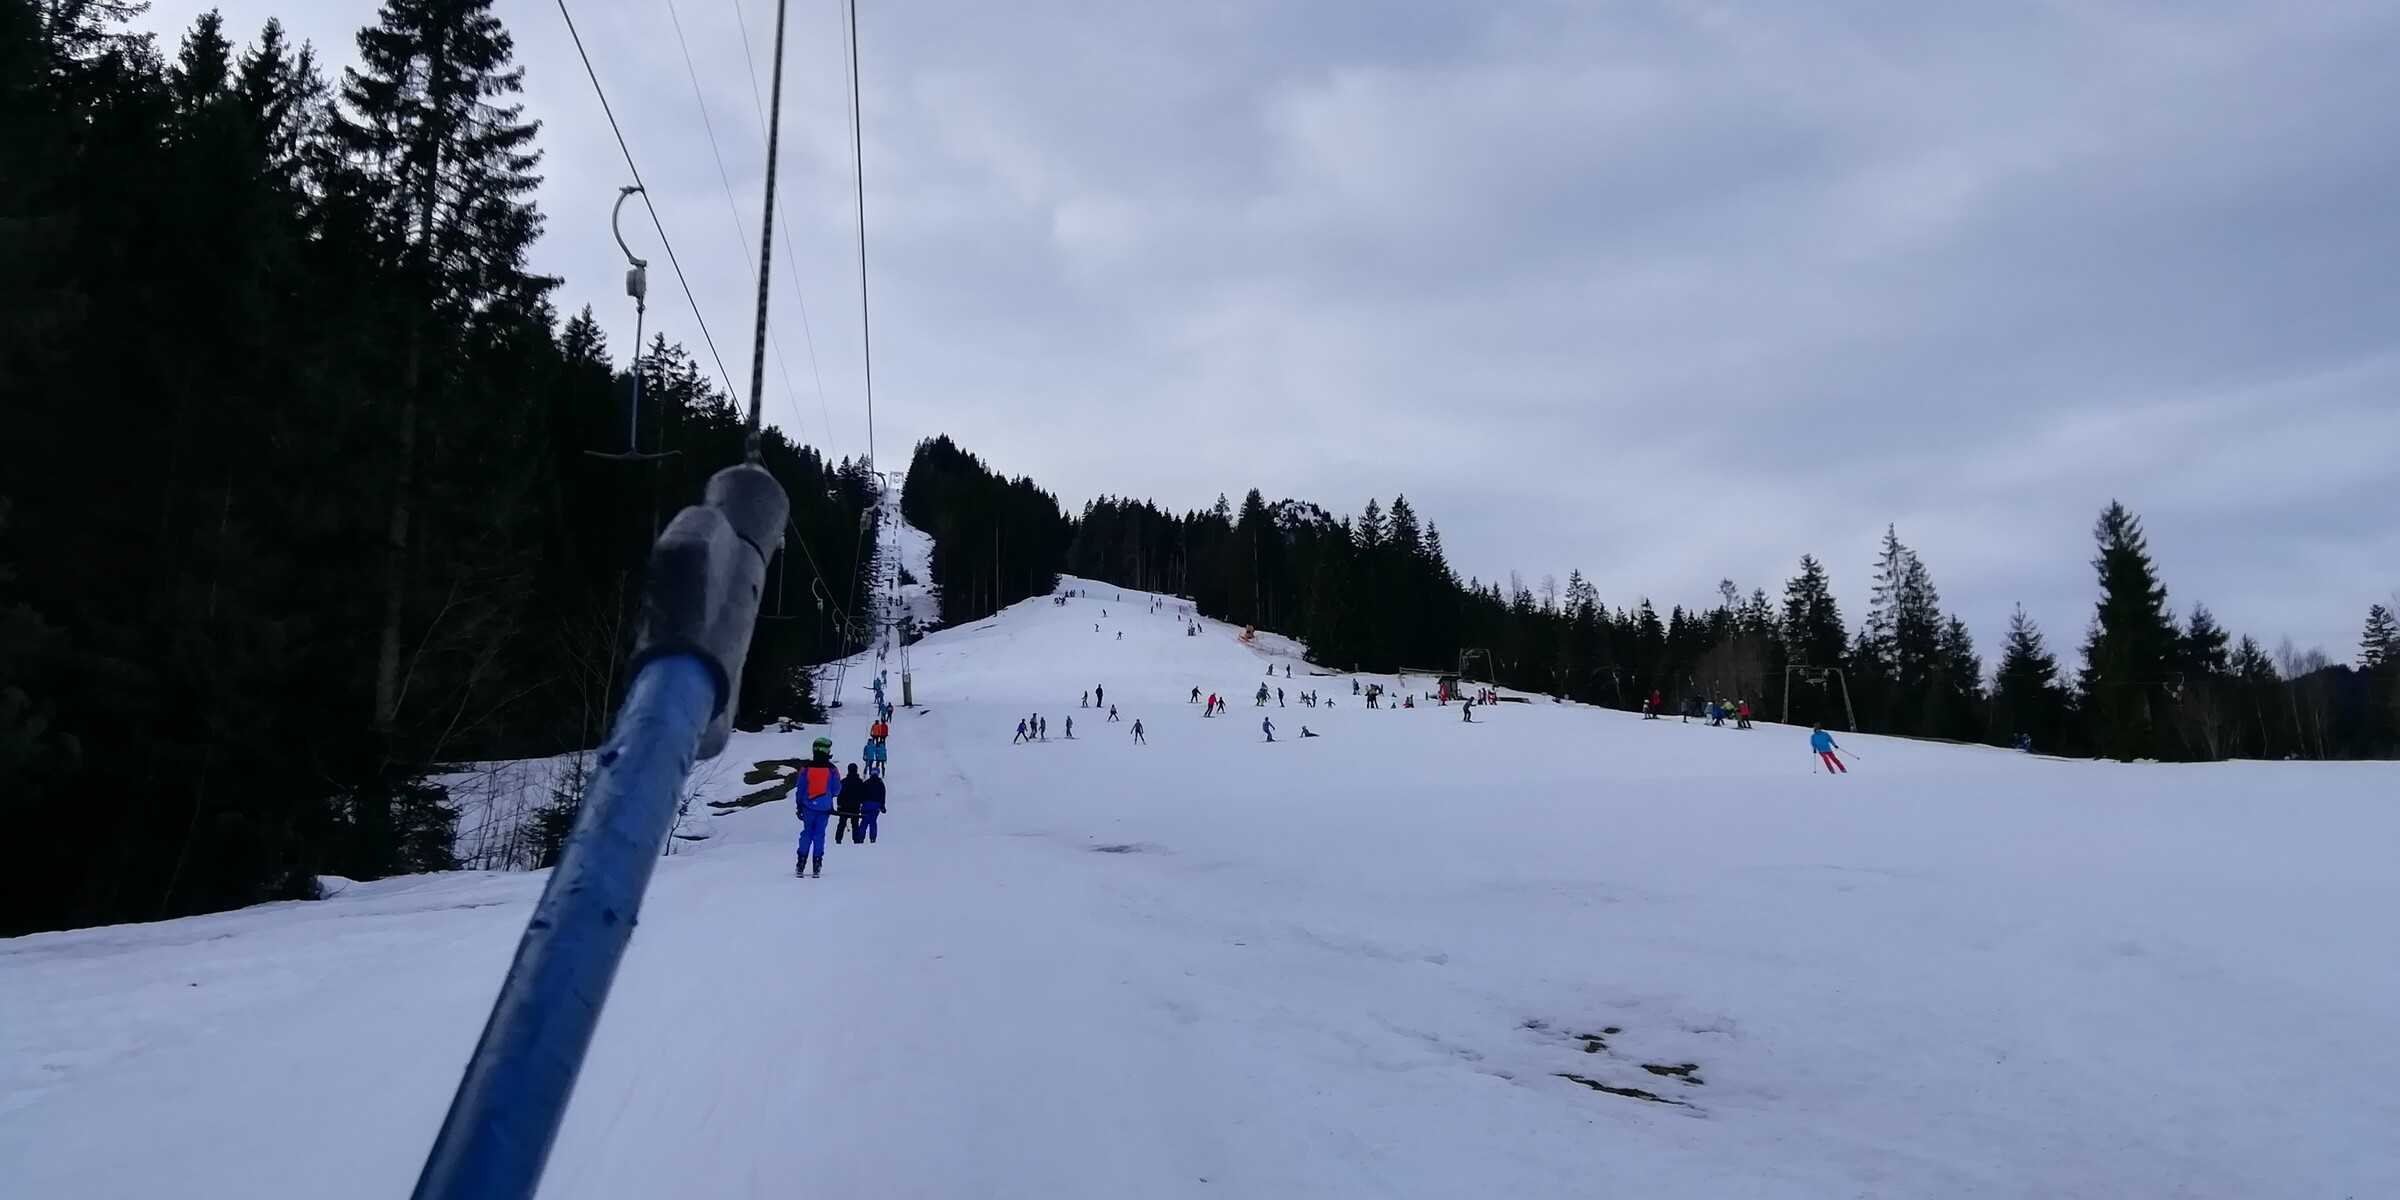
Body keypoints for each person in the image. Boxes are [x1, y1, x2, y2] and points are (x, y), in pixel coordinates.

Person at [795, 738, 840, 877]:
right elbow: (837, 790)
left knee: (807, 832)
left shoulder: (806, 769)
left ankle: (801, 863)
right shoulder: (832, 770)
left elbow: (800, 788)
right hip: (824, 808)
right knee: (819, 834)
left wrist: (799, 805)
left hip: (808, 807)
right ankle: (817, 864)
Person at [834, 764, 866, 843]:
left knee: (842, 823)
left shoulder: (844, 781)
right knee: (855, 824)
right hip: (855, 806)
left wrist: (839, 805)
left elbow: (840, 794)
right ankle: (856, 839)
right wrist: (861, 803)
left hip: (844, 806)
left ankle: (838, 839)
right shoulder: (860, 782)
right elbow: (862, 794)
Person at [854, 770, 886, 843]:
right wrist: (882, 806)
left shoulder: (866, 782)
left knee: (864, 821)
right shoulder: (880, 784)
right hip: (876, 804)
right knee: (873, 821)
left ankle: (861, 837)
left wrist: (860, 803)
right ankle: (872, 838)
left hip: (866, 803)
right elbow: (883, 795)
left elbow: (861, 793)